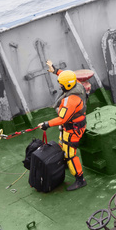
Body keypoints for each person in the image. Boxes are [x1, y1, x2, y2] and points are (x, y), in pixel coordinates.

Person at [37, 61, 88, 191]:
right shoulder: (77, 84)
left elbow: (63, 118)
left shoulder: (71, 100)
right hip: (71, 127)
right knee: (62, 144)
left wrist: (46, 124)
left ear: (67, 85)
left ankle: (80, 179)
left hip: (73, 130)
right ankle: (66, 163)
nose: (59, 85)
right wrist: (55, 70)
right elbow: (67, 77)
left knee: (70, 154)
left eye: (61, 84)